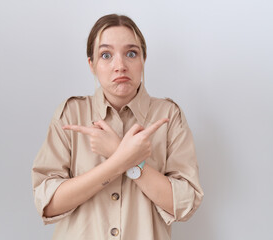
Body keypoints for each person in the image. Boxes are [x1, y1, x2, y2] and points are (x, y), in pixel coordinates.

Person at [32, 14, 203, 240]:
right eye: (106, 55)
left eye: (131, 53)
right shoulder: (70, 114)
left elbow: (184, 204)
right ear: (92, 64)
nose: (120, 66)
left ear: (143, 60)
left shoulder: (168, 116)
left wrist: (124, 156)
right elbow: (49, 204)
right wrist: (121, 159)